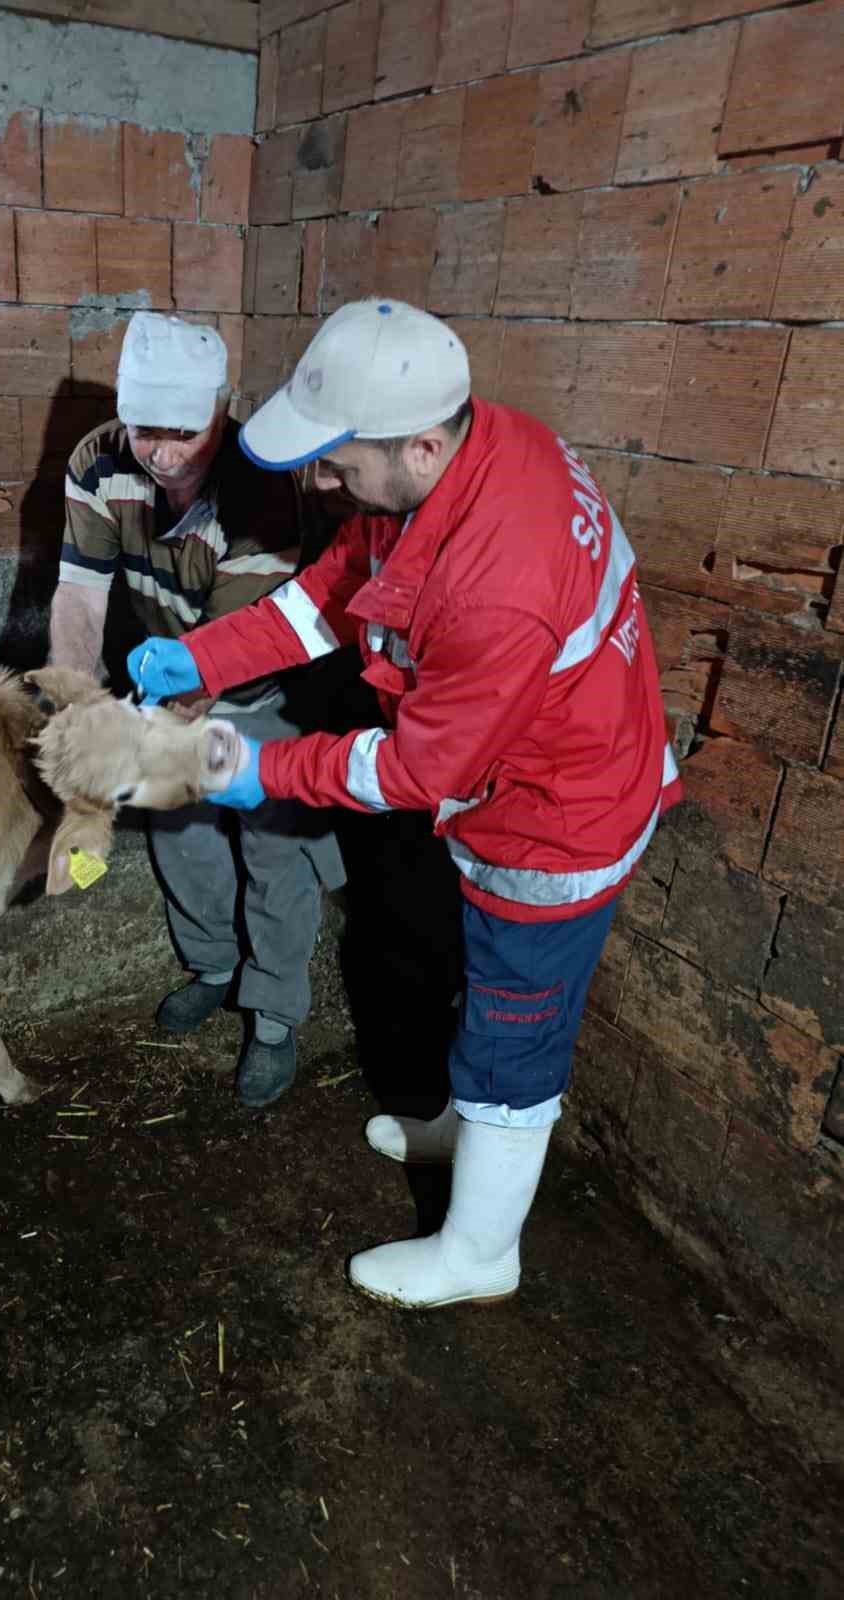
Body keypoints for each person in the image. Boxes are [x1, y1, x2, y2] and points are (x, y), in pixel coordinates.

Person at [126, 299, 680, 1310]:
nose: (317, 483)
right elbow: (325, 595)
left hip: (553, 814)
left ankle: (479, 1250)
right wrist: (203, 654)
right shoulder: (468, 455)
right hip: (513, 766)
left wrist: (260, 773)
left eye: (336, 462)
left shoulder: (498, 577)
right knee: (477, 979)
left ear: (420, 445)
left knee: (515, 1019)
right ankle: (458, 1127)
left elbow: (411, 772)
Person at [46, 311, 344, 1109]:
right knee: (177, 824)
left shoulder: (260, 485)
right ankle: (213, 963)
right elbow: (79, 595)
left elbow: (227, 651)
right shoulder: (99, 461)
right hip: (163, 668)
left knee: (272, 841)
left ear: (222, 409)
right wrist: (74, 708)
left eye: (188, 431)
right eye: (148, 431)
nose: (167, 453)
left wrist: (125, 747)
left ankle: (276, 1011)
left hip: (253, 679)